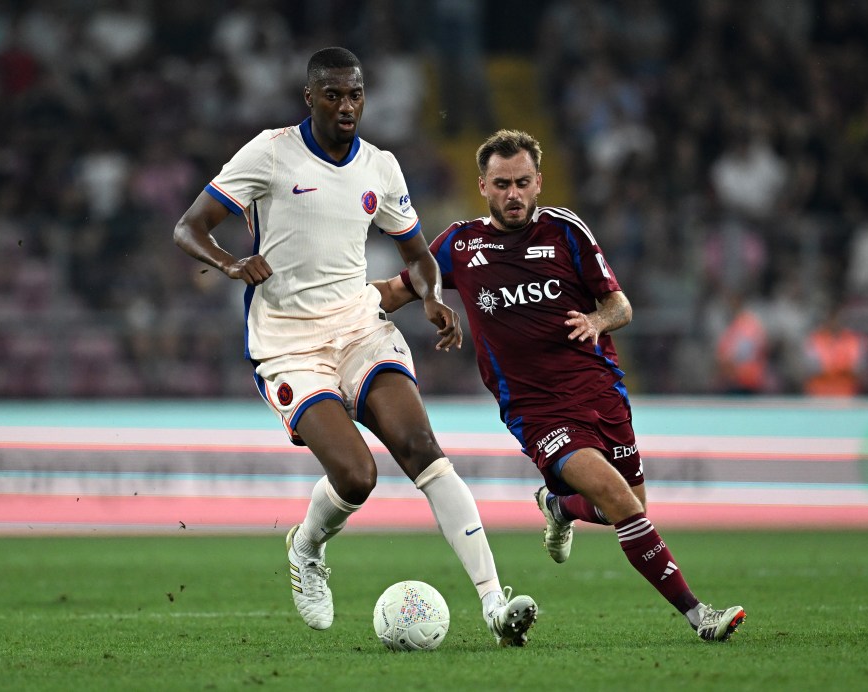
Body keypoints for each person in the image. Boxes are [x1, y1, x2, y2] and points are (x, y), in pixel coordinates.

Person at [173, 48, 537, 646]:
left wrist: (431, 298)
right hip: (289, 346)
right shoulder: (270, 151)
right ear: (310, 97)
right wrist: (230, 262)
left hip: (360, 328)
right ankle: (307, 546)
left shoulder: (380, 167)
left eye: (356, 95)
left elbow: (417, 255)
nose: (347, 106)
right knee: (357, 475)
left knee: (421, 446)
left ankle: (495, 604)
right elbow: (190, 225)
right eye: (334, 95)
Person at [373, 129, 746, 642]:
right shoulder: (460, 245)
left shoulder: (566, 230)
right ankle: (699, 615)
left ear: (539, 181)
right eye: (501, 183)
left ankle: (558, 505)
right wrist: (322, 296)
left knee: (630, 510)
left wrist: (596, 321)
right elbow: (395, 291)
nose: (513, 194)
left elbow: (620, 305)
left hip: (600, 391)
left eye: (523, 182)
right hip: (537, 409)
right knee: (621, 501)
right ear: (482, 185)